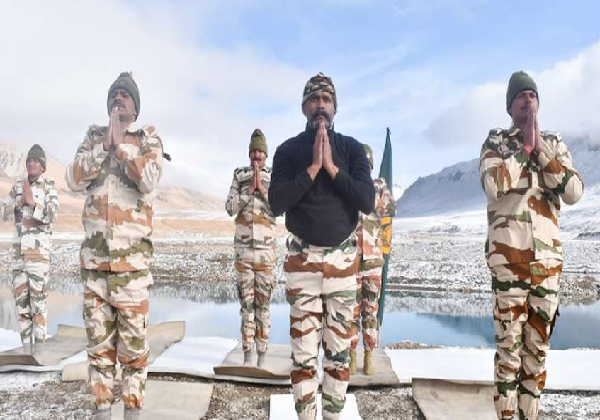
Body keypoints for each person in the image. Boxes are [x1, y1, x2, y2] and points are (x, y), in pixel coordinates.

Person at [269, 72, 375, 420]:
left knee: (339, 355)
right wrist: (313, 168)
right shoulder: (288, 151)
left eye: (326, 100)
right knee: (303, 356)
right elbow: (276, 203)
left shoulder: (352, 149)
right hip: (303, 264)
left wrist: (331, 167)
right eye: (314, 99)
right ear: (304, 107)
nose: (320, 105)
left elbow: (367, 200)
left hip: (343, 265)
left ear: (335, 107)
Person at [479, 71, 583, 420]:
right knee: (509, 352)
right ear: (510, 106)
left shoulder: (554, 143)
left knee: (537, 354)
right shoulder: (496, 143)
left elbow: (574, 192)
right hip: (509, 264)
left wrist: (541, 150)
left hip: (547, 267)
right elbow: (493, 185)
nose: (528, 99)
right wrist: (524, 149)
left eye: (533, 94)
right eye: (521, 95)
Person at [65, 72, 164, 420]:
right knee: (98, 353)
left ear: (135, 106)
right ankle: (103, 413)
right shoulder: (93, 138)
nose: (118, 97)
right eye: (114, 93)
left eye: (125, 94)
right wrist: (104, 146)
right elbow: (72, 179)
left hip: (132, 271)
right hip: (95, 270)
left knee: (134, 355)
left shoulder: (147, 138)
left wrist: (120, 146)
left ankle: (132, 414)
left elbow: (149, 179)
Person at [225, 128, 277, 367]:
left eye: (260, 152)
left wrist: (262, 191)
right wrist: (248, 193)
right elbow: (229, 207)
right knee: (246, 307)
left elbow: (280, 207)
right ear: (249, 153)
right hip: (244, 254)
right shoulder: (239, 175)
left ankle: (262, 356)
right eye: (254, 151)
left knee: (263, 308)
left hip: (266, 255)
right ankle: (247, 355)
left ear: (266, 154)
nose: (257, 156)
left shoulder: (274, 176)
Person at [0, 144, 59, 352]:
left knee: (38, 307)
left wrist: (32, 203)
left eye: (35, 160)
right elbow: (3, 212)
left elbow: (52, 214)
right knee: (21, 307)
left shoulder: (49, 187)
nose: (31, 163)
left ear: (42, 166)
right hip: (18, 256)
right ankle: (26, 352)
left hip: (38, 257)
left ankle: (39, 354)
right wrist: (16, 204)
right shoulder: (18, 185)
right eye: (29, 160)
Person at [349, 144, 396, 376]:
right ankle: (351, 355)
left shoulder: (379, 187)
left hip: (373, 263)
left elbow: (392, 209)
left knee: (370, 311)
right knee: (351, 312)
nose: (363, 167)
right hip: (351, 262)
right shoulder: (347, 186)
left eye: (366, 164)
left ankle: (369, 355)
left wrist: (370, 195)